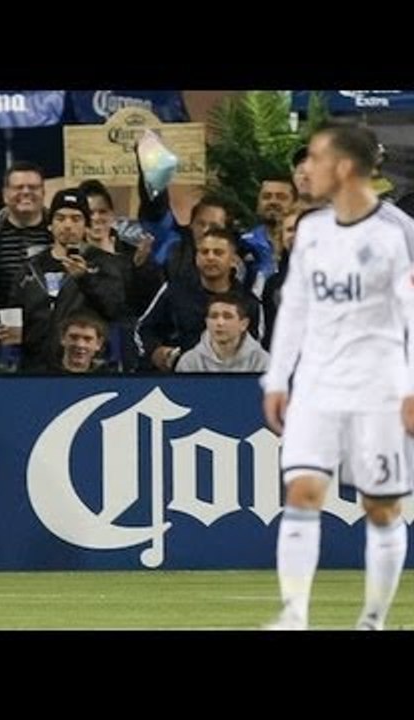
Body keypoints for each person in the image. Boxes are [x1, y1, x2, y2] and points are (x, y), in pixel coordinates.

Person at [262, 123, 414, 630]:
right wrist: (277, 379)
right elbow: (296, 307)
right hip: (317, 385)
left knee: (380, 507)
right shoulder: (311, 230)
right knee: (302, 493)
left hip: (379, 387)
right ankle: (294, 616)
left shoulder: (396, 232)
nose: (306, 169)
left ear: (345, 167)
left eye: (317, 158)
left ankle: (372, 618)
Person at [175, 293, 269, 373]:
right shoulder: (189, 361)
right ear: (206, 322)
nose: (220, 323)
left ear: (244, 324)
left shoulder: (263, 361)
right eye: (213, 316)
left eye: (227, 316)